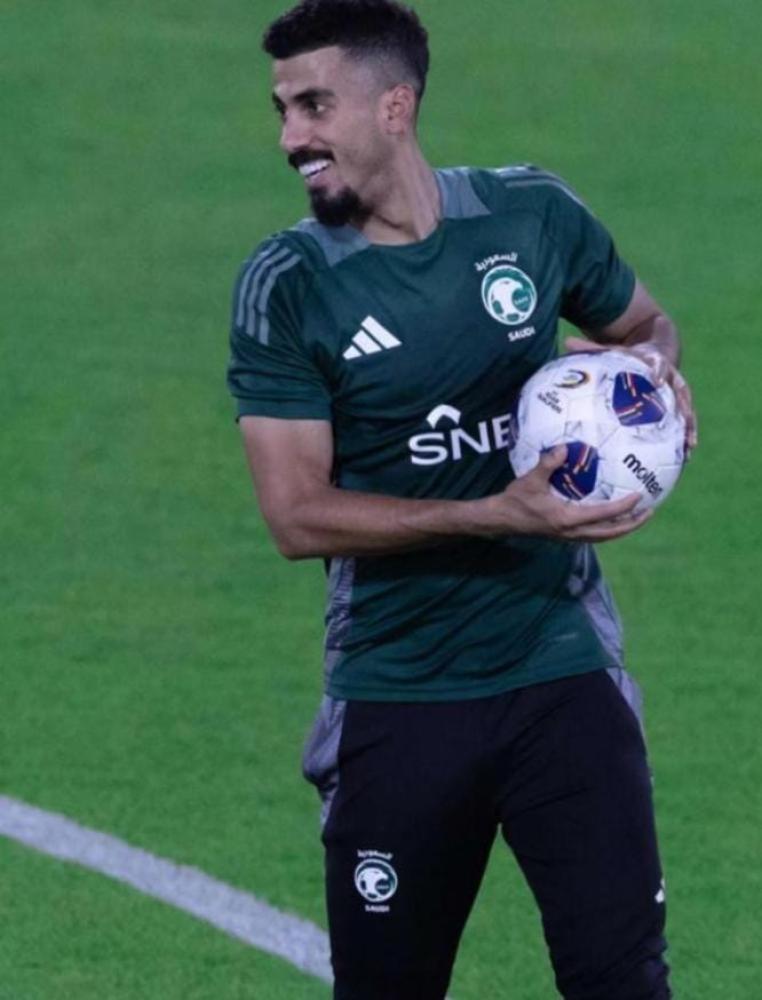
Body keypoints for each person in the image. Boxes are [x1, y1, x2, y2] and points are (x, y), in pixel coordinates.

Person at [227, 2, 697, 996]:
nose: (291, 139)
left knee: (625, 982)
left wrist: (655, 381)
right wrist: (493, 514)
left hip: (561, 668)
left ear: (394, 107)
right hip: (398, 693)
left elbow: (644, 326)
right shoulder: (290, 285)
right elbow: (295, 515)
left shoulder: (531, 218)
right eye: (282, 111)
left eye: (314, 106)